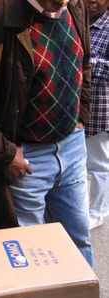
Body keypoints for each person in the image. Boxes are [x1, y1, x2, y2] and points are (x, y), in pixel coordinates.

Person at [0, 0, 94, 267]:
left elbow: (84, 62)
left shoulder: (76, 6)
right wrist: (5, 155)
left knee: (78, 240)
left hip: (71, 146)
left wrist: (81, 114)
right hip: (25, 159)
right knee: (28, 252)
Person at [84, 0, 108, 230]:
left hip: (101, 108)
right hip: (79, 108)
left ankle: (98, 213)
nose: (92, 1)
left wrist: (85, 63)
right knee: (81, 164)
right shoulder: (80, 21)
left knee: (99, 164)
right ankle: (85, 209)